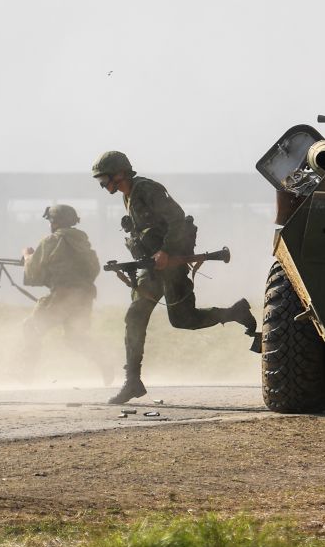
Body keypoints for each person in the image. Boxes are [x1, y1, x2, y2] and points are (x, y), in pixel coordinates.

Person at [92, 150, 257, 404]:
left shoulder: (147, 189)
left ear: (120, 173)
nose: (103, 186)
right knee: (135, 316)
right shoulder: (128, 196)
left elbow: (177, 219)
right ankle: (133, 381)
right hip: (153, 268)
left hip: (172, 264)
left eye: (105, 180)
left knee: (183, 319)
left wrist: (166, 251)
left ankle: (234, 313)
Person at [20, 204, 113, 384]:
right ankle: (104, 362)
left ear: (54, 222)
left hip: (62, 297)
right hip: (84, 297)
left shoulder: (51, 241)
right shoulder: (83, 243)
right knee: (74, 338)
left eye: (50, 221)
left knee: (31, 327)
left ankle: (26, 373)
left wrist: (26, 256)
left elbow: (32, 271)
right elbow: (93, 269)